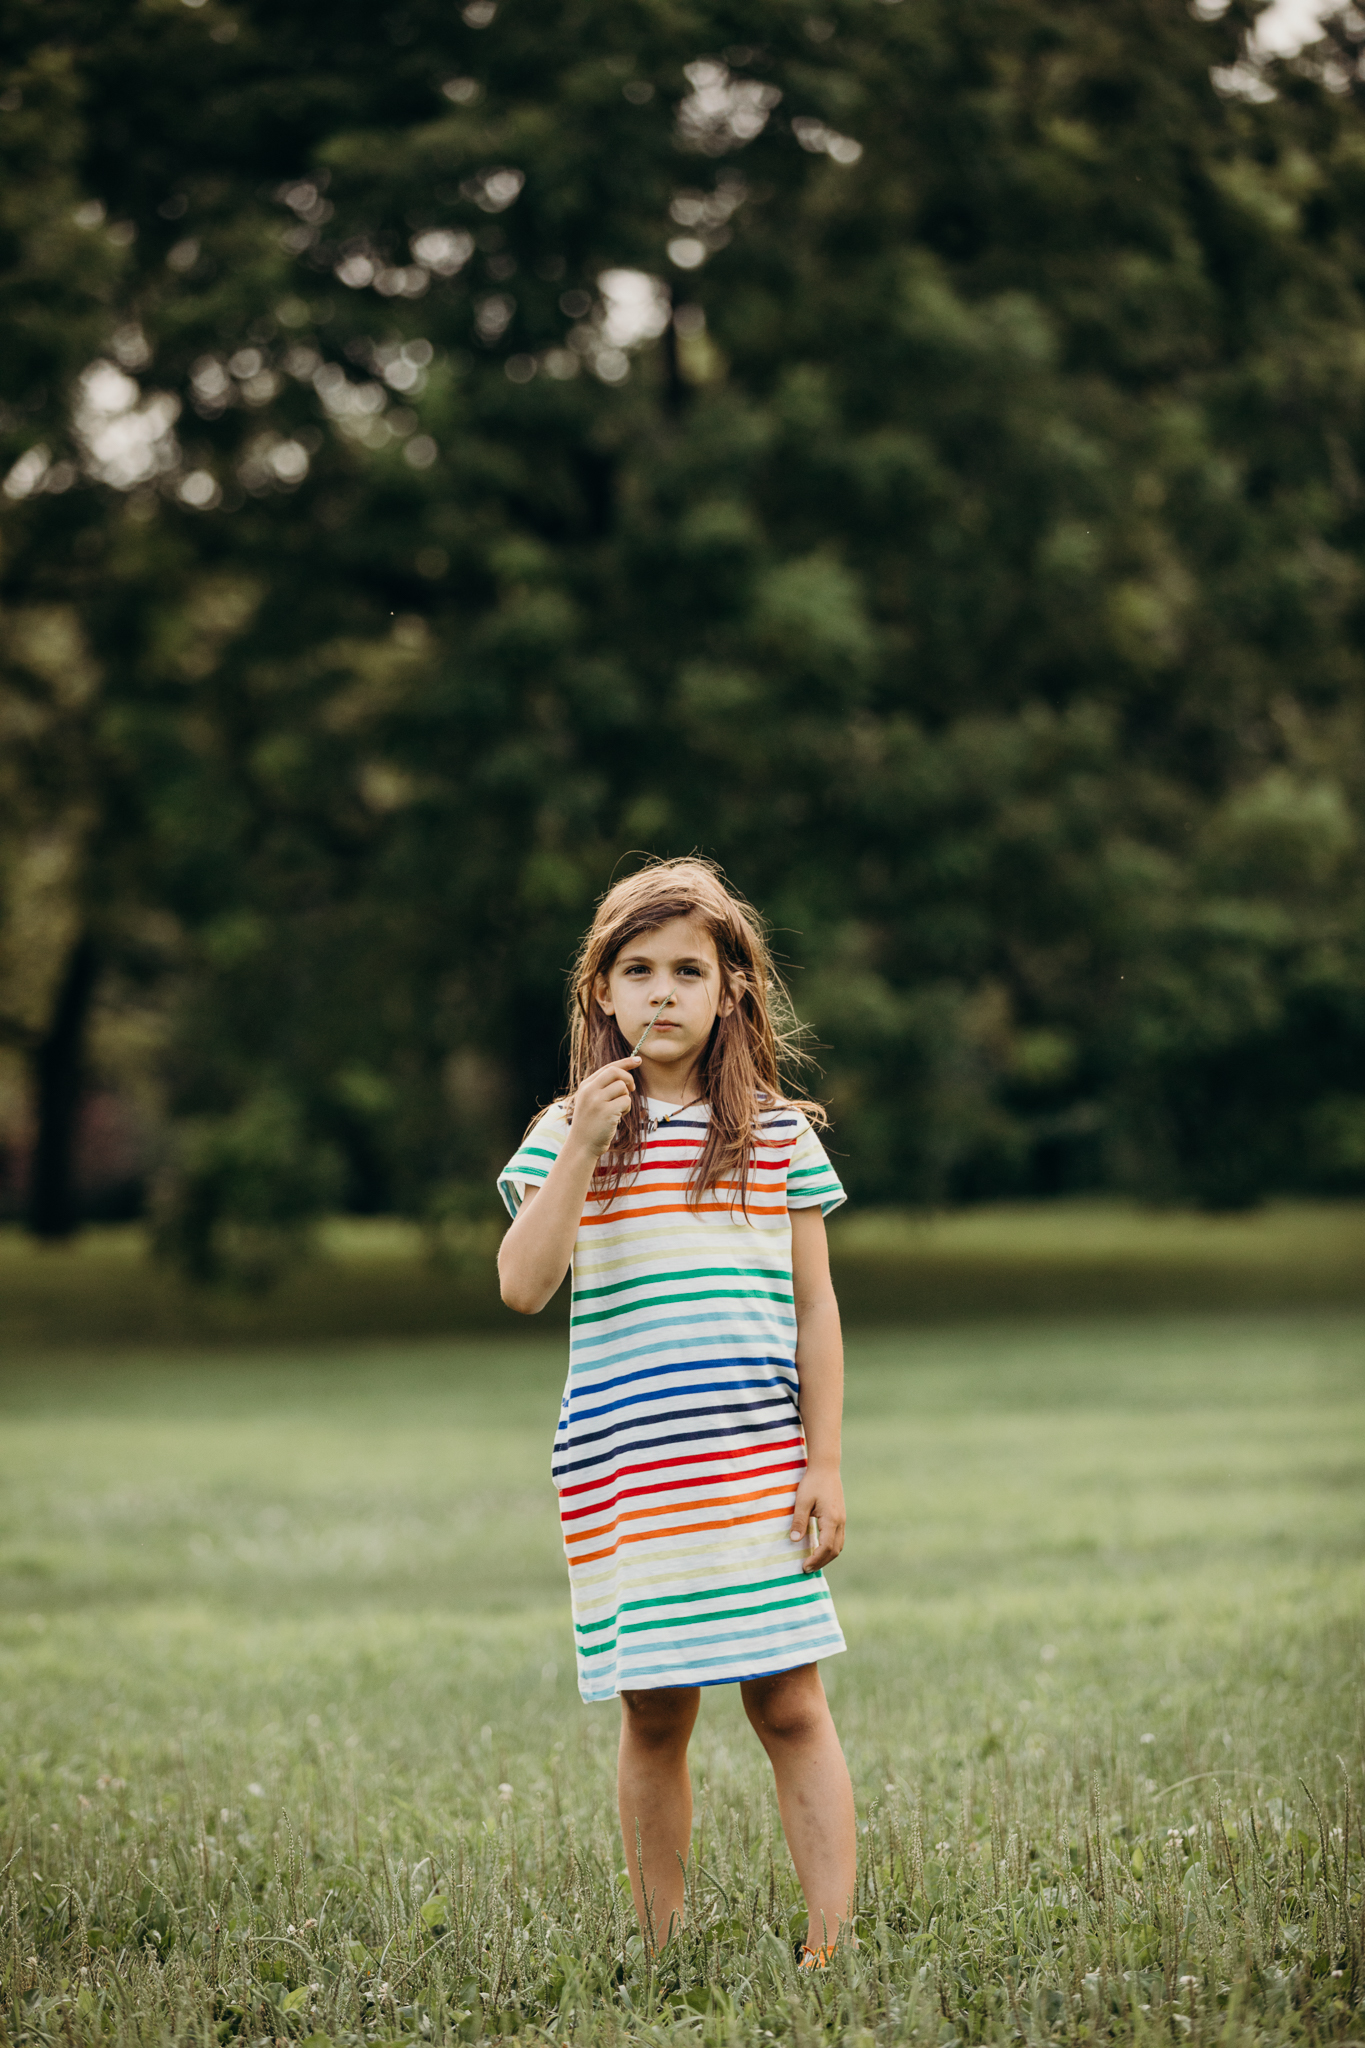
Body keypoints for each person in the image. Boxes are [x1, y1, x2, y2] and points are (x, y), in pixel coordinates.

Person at [496, 857, 856, 1965]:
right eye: (637, 969)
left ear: (731, 990)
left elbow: (816, 1307)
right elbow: (521, 1281)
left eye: (688, 970)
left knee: (789, 1701)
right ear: (600, 990)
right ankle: (659, 1942)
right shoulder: (571, 1127)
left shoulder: (778, 1136)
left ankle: (828, 1942)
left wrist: (826, 1461)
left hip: (755, 1464)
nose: (662, 992)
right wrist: (586, 1148)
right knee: (654, 1710)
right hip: (632, 1473)